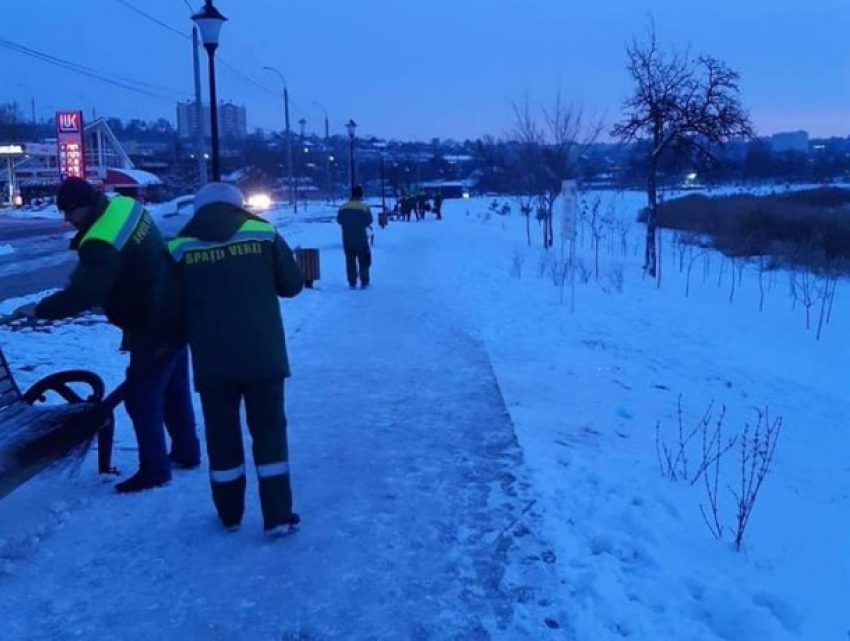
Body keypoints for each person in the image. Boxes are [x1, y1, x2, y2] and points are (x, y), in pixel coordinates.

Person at [12, 177, 200, 494]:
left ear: (87, 205)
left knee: (142, 398)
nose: (66, 219)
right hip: (174, 307)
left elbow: (84, 292)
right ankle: (186, 450)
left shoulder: (100, 241)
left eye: (70, 211)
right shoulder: (124, 206)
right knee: (173, 387)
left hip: (152, 321)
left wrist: (40, 310)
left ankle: (155, 469)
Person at [168, 182, 304, 535]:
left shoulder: (179, 246)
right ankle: (277, 514)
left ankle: (229, 513)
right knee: (270, 430)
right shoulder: (263, 233)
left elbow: (169, 303)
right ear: (239, 205)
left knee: (221, 434)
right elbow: (291, 285)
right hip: (264, 354)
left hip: (212, 360)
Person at [336, 185, 373, 289]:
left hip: (347, 238)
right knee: (363, 261)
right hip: (361, 238)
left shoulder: (343, 207)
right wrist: (360, 224)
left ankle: (352, 281)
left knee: (350, 261)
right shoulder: (364, 207)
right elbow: (369, 220)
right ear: (361, 195)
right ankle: (364, 281)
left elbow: (339, 220)